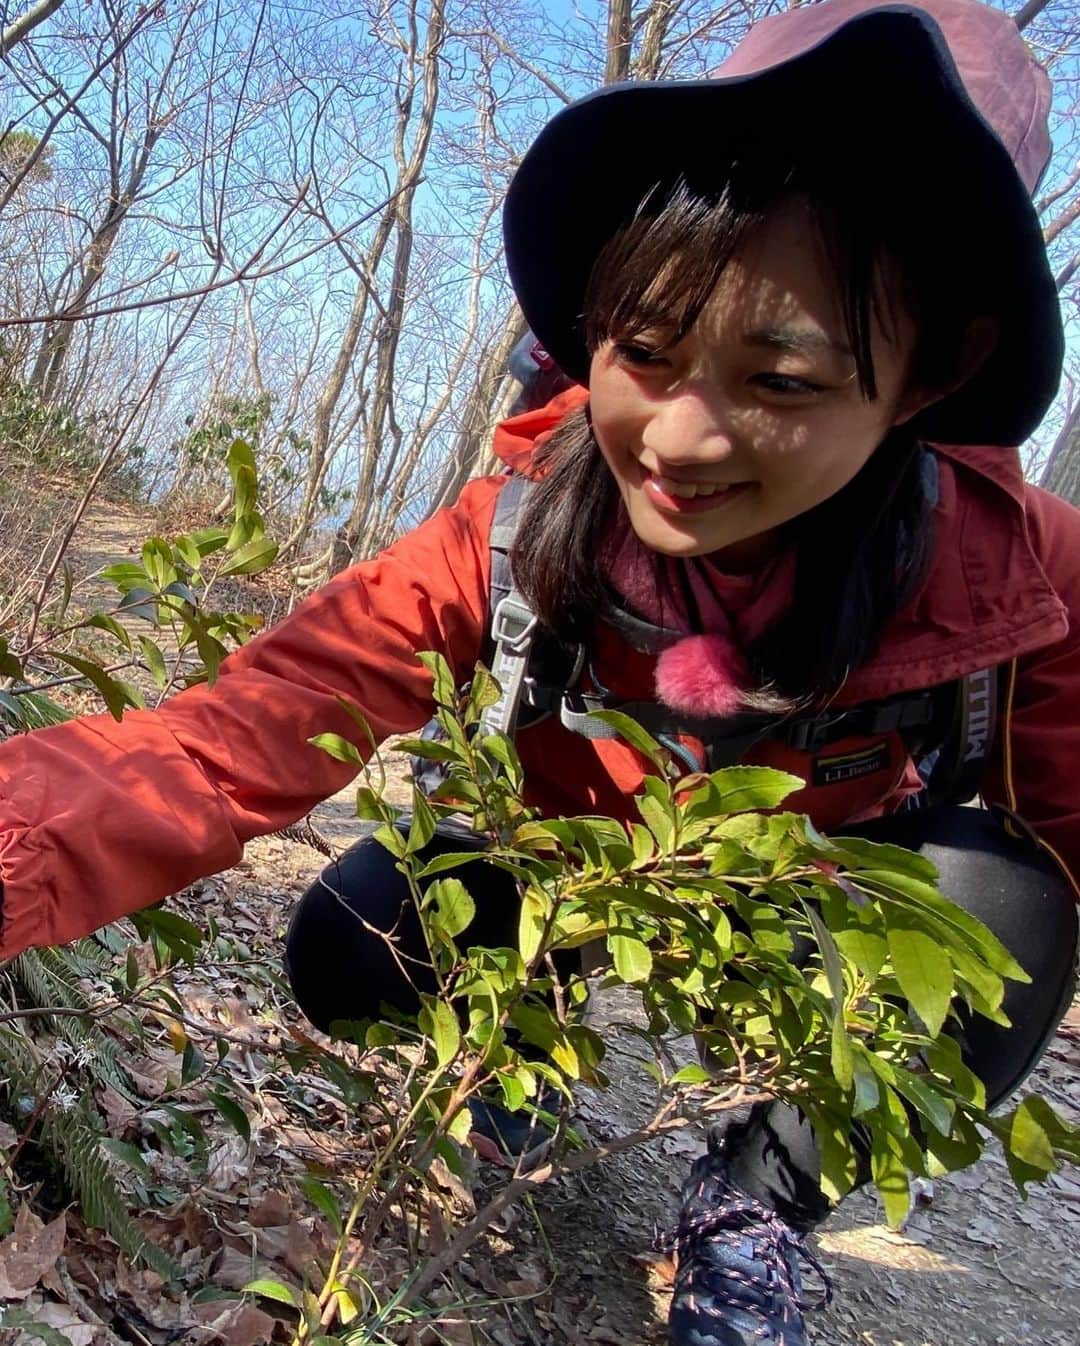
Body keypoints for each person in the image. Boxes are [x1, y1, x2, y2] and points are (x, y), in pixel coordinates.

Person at [1, 1, 1078, 1341]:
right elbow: (244, 730)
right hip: (564, 872)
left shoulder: (1017, 577)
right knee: (355, 939)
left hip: (801, 918)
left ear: (933, 372)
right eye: (647, 349)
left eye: (782, 380)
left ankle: (753, 1202)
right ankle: (521, 1057)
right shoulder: (523, 518)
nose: (682, 437)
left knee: (1011, 910)